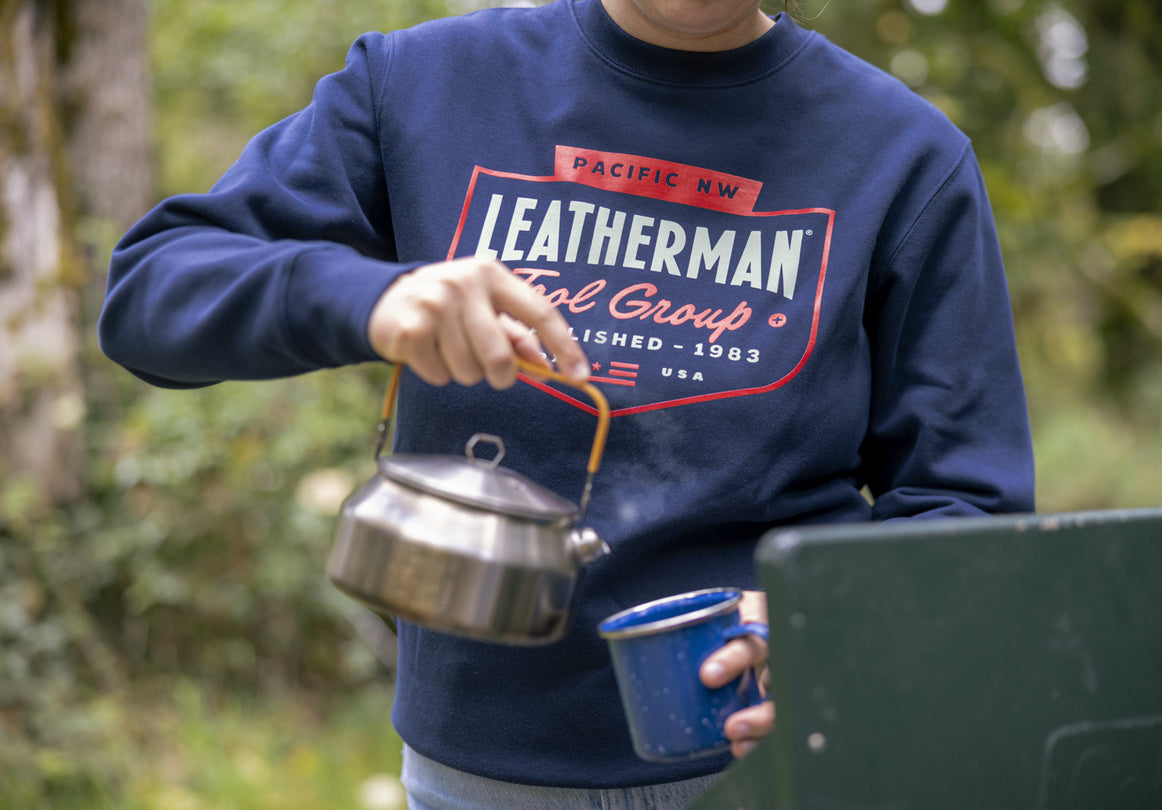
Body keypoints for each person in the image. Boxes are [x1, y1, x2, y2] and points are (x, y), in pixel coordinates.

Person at [99, 0, 1036, 805]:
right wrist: (368, 298)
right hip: (475, 778)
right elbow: (149, 297)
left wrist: (837, 627)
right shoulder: (424, 82)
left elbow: (968, 501)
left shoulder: (905, 155)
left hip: (775, 772)